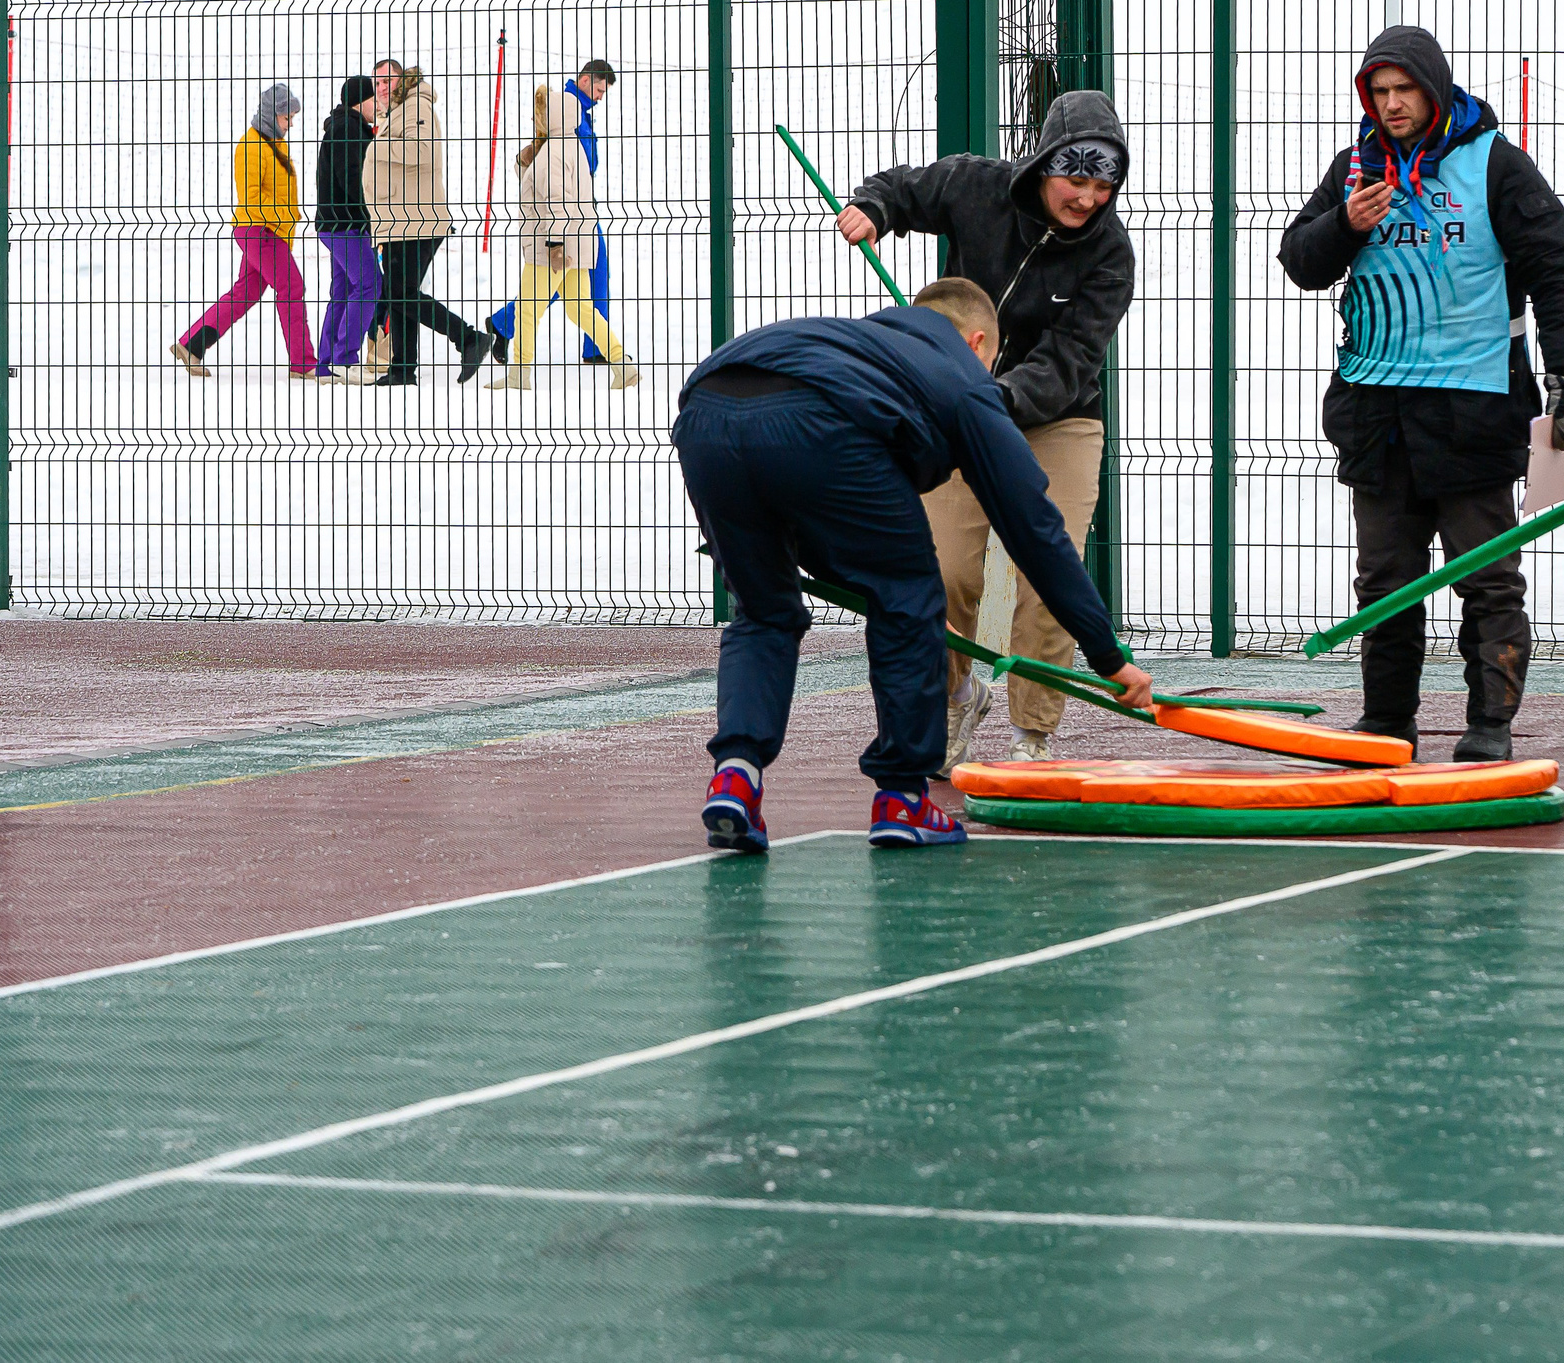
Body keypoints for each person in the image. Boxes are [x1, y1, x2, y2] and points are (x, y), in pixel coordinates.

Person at [675, 277, 1155, 852]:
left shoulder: (859, 343)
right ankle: (903, 798)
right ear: (979, 343)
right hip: (824, 421)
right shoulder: (964, 380)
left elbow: (807, 493)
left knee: (765, 612)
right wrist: (1107, 656)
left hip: (706, 409)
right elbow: (1035, 530)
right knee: (907, 600)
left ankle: (736, 774)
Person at [1279, 26, 1564, 763]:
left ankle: (1490, 723)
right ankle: (1387, 722)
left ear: (1434, 88)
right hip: (1375, 412)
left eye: (1403, 90)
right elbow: (1300, 260)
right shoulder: (1355, 168)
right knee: (1385, 580)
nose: (1390, 105)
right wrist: (1344, 226)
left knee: (1486, 576)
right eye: (1377, 92)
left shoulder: (1496, 164)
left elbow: (1556, 268)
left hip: (1473, 407)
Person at [835, 90, 1134, 768]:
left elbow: (1069, 362)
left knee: (1048, 574)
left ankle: (1033, 732)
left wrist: (987, 396)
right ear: (1043, 163)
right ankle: (953, 695)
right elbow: (904, 189)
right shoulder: (979, 186)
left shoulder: (1111, 255)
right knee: (937, 568)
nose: (1087, 197)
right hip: (957, 407)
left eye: (1102, 184)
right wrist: (874, 210)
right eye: (1075, 177)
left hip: (1057, 420)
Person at [488, 83, 639, 390]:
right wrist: (525, 160)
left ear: (553, 118)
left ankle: (519, 376)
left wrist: (555, 245)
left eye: (539, 116)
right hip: (578, 244)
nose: (535, 121)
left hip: (551, 247)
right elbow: (543, 184)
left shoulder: (554, 153)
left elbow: (556, 202)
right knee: (581, 308)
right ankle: (621, 364)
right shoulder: (569, 146)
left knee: (528, 309)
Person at [170, 83, 316, 379]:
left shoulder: (276, 144)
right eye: (287, 117)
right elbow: (250, 196)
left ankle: (192, 345)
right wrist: (286, 214)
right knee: (292, 287)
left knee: (246, 292)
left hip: (273, 230)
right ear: (270, 114)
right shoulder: (250, 146)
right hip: (259, 229)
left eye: (292, 118)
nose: (290, 124)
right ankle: (304, 364)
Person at [363, 62, 495, 386]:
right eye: (377, 81)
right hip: (399, 219)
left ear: (402, 80)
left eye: (387, 80)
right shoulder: (398, 110)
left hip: (416, 219)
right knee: (399, 293)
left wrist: (375, 145)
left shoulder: (416, 105)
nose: (381, 87)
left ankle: (468, 338)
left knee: (401, 292)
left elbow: (422, 149)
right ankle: (402, 368)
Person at [311, 70, 385, 383]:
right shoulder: (348, 129)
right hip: (347, 224)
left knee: (343, 290)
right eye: (373, 97)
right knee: (370, 284)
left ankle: (327, 364)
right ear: (360, 101)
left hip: (335, 223)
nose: (377, 101)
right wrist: (375, 216)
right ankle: (345, 359)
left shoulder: (348, 127)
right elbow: (355, 180)